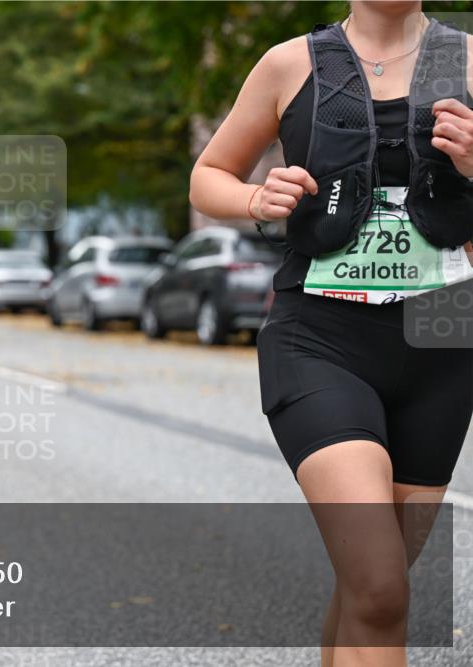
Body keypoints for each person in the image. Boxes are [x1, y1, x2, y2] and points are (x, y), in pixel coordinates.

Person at [190, 3, 472, 665]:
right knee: (378, 582)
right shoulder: (289, 63)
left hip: (442, 344)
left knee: (373, 589)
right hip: (320, 338)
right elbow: (209, 176)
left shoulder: (468, 61)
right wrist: (258, 199)